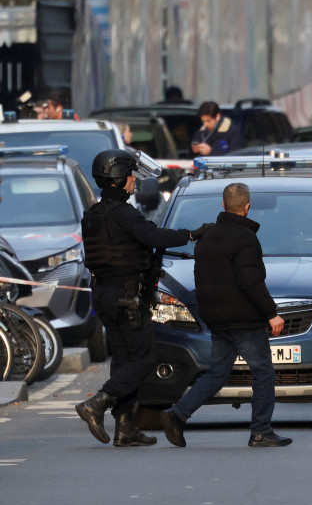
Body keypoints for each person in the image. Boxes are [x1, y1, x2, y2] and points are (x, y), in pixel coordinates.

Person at [74, 150, 201, 447]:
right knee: (144, 358)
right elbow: (154, 237)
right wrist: (192, 235)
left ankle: (125, 428)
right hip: (126, 295)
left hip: (104, 295)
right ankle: (97, 403)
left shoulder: (92, 214)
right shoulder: (124, 214)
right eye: (131, 175)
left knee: (123, 359)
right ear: (119, 179)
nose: (134, 181)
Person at [160, 182, 289, 448]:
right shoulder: (245, 238)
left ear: (223, 205)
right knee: (263, 372)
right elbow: (250, 280)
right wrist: (271, 313)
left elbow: (201, 278)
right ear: (247, 207)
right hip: (245, 320)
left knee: (217, 373)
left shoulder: (208, 237)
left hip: (217, 319)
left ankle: (177, 414)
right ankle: (261, 431)